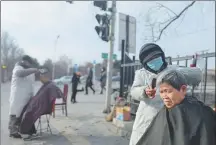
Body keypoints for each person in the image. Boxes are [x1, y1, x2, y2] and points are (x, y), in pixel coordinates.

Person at [129, 43, 202, 145]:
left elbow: (197, 75)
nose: (154, 61)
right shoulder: (141, 74)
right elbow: (133, 91)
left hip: (171, 114)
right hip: (148, 115)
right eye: (150, 60)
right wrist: (144, 91)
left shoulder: (173, 70)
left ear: (162, 56)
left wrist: (181, 74)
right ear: (145, 63)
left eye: (156, 57)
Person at [136, 70, 215, 145]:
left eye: (168, 91)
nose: (164, 96)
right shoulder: (163, 112)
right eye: (161, 92)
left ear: (183, 89)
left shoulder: (202, 112)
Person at [19, 67, 64, 139]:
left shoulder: (50, 86)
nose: (40, 79)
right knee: (26, 109)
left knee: (29, 113)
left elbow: (45, 99)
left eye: (41, 77)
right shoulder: (49, 85)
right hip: (39, 103)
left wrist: (34, 101)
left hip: (43, 106)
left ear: (45, 77)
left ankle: (26, 132)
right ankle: (30, 131)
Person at [8, 55, 39, 138]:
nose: (29, 65)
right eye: (28, 63)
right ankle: (13, 131)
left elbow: (31, 83)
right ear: (24, 61)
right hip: (18, 95)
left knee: (24, 113)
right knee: (15, 113)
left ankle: (25, 129)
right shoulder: (18, 68)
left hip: (26, 96)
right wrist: (34, 70)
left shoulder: (28, 70)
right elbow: (20, 74)